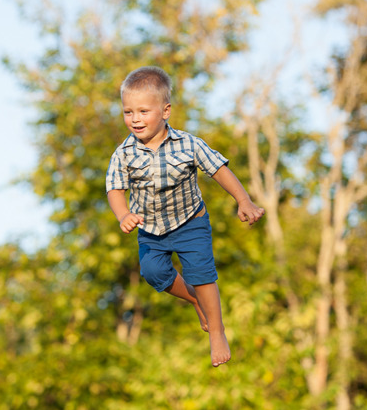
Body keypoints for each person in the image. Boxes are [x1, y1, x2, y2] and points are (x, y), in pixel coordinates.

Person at [106, 66, 265, 367]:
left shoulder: (188, 144)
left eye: (143, 111)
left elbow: (219, 170)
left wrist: (243, 200)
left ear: (165, 111)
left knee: (202, 274)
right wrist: (123, 213)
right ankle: (194, 299)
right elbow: (115, 188)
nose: (135, 119)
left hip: (191, 222)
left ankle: (217, 333)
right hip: (152, 231)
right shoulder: (123, 154)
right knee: (152, 272)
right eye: (128, 112)